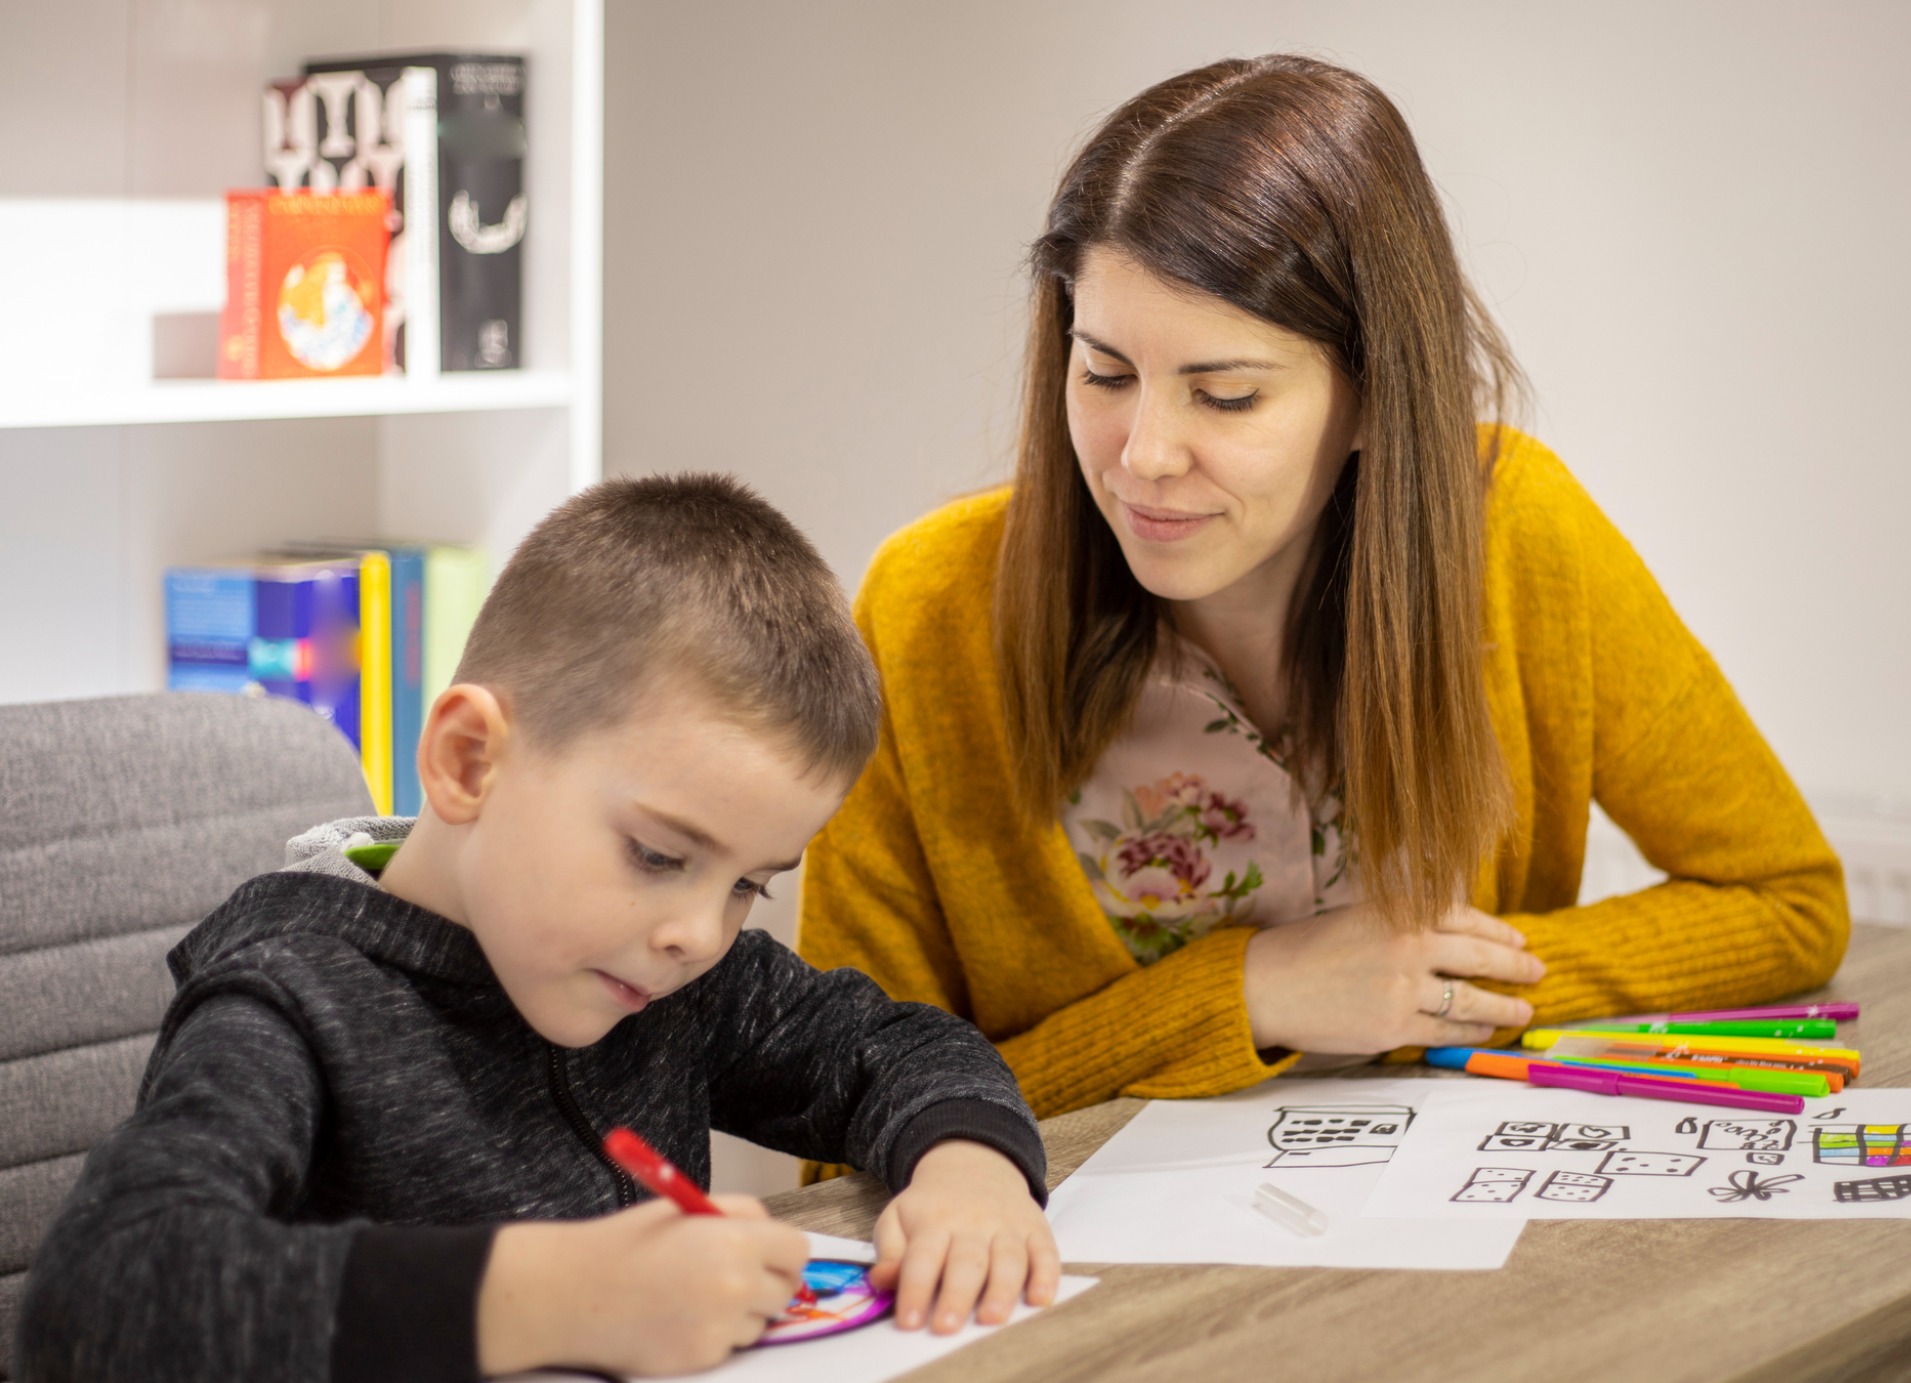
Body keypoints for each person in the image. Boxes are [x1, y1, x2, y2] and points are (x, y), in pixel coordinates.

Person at [797, 53, 1848, 1123]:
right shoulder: (926, 610)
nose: (1144, 455)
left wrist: (1423, 989)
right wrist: (1258, 991)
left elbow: (1787, 902)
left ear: (1375, 398)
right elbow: (840, 1117)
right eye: (1104, 373)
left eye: (1227, 395)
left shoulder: (1516, 530)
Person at [16, 476, 1058, 1382]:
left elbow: (891, 1044)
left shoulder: (670, 975)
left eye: (749, 885)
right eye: (659, 855)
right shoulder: (290, 1001)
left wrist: (971, 1166)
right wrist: (555, 1295)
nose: (700, 931)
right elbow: (97, 1299)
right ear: (471, 761)